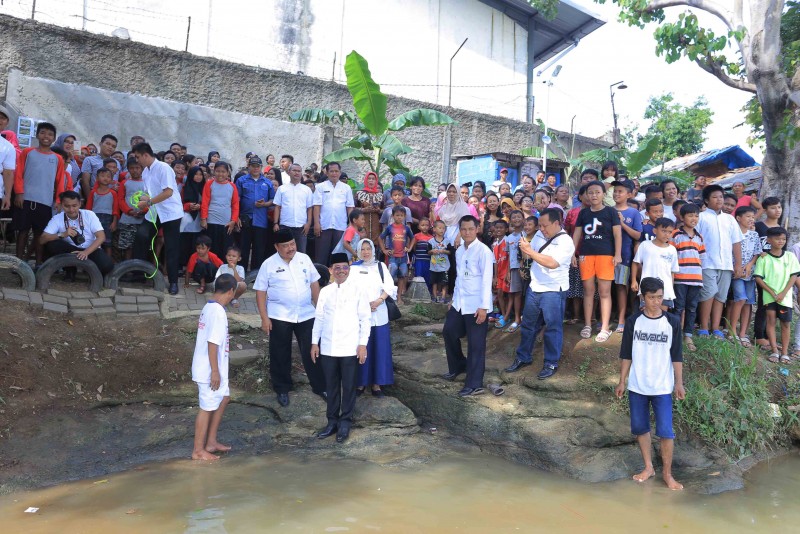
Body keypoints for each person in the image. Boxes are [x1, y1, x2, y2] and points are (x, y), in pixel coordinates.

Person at [616, 277, 685, 491]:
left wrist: (679, 383)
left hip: (662, 386)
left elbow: (677, 355)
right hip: (637, 385)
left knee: (666, 431)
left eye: (660, 297)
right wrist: (622, 381)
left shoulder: (672, 322)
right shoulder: (633, 321)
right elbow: (626, 354)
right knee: (640, 428)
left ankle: (667, 474)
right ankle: (648, 467)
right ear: (643, 298)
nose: (657, 301)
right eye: (652, 297)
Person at [255, 229, 327, 407]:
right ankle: (282, 388)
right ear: (276, 247)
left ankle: (320, 386)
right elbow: (260, 292)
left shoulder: (304, 259)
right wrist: (264, 318)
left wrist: (320, 311)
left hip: (306, 313)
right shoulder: (268, 264)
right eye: (286, 246)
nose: (291, 248)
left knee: (313, 348)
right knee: (280, 352)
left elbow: (314, 285)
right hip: (279, 315)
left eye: (292, 244)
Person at [505, 208, 575, 378]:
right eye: (540, 226)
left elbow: (552, 263)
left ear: (556, 223)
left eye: (545, 226)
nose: (541, 229)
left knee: (552, 327)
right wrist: (525, 251)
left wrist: (529, 251)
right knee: (528, 325)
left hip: (553, 290)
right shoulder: (539, 234)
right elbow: (531, 256)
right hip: (535, 287)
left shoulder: (566, 241)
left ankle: (551, 363)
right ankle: (523, 357)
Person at [311, 252, 372, 443]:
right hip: (328, 347)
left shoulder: (358, 290)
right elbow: (319, 318)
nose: (341, 271)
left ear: (349, 269)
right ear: (330, 270)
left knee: (348, 386)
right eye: (337, 268)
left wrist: (362, 344)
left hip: (350, 347)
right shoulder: (325, 292)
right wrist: (314, 342)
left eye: (345, 267)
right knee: (331, 386)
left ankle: (345, 422)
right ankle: (332, 421)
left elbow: (365, 319)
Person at [441, 215, 494, 397]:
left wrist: (484, 307)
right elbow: (459, 278)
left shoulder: (483, 251)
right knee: (449, 331)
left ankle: (474, 384)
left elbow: (486, 280)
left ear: (477, 229)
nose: (467, 232)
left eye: (471, 229)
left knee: (476, 344)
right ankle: (458, 365)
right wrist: (453, 300)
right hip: (460, 302)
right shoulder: (459, 251)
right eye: (463, 229)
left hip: (477, 305)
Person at [191, 273, 236, 461]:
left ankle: (211, 442)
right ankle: (198, 450)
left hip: (215, 366)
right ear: (231, 291)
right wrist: (215, 372)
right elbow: (212, 343)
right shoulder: (217, 312)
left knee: (224, 398)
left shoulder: (209, 306)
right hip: (209, 369)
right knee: (207, 406)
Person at [132, 142, 186, 295]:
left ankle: (173, 282)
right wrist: (142, 199)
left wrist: (148, 202)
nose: (137, 160)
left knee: (171, 246)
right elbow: (148, 193)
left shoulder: (163, 168)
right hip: (155, 211)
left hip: (170, 213)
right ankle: (139, 274)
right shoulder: (146, 172)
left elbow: (168, 192)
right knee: (141, 236)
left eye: (138, 157)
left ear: (145, 155)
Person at [572, 181, 622, 342]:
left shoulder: (611, 212)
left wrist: (618, 254)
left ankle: (605, 327)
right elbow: (577, 234)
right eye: (590, 192)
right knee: (588, 291)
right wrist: (572, 254)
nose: (594, 195)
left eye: (597, 192)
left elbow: (617, 234)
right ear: (586, 195)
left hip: (606, 255)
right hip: (586, 255)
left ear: (603, 194)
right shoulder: (583, 213)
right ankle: (587, 325)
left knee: (604, 292)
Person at [13, 122, 66, 265]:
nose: (46, 136)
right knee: (23, 231)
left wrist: (58, 200)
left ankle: (38, 264)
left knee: (40, 233)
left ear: (54, 138)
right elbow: (18, 174)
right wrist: (19, 193)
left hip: (45, 202)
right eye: (42, 132)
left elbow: (60, 181)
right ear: (37, 135)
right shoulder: (27, 152)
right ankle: (18, 263)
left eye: (50, 134)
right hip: (25, 199)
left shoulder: (57, 158)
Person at [352, 240, 398, 397]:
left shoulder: (381, 266)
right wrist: (363, 305)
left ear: (373, 250)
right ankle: (360, 383)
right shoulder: (353, 269)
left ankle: (377, 384)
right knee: (362, 347)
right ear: (358, 251)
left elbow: (389, 287)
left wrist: (379, 300)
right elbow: (350, 290)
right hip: (360, 314)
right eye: (362, 249)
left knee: (379, 349)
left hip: (379, 313)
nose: (366, 252)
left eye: (368, 249)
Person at [696, 184, 743, 338]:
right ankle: (704, 327)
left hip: (726, 264)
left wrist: (738, 264)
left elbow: (736, 242)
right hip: (707, 262)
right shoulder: (701, 217)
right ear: (706, 200)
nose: (719, 200)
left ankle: (715, 328)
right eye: (715, 197)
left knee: (720, 297)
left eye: (721, 197)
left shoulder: (729, 219)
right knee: (708, 294)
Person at [39, 191, 114, 275]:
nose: (71, 210)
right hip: (70, 251)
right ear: (62, 205)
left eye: (74, 206)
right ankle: (70, 270)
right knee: (52, 244)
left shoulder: (89, 214)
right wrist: (62, 234)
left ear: (80, 204)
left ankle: (93, 273)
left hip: (90, 250)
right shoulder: (57, 218)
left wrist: (86, 252)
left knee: (107, 266)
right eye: (67, 206)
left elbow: (101, 237)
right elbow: (42, 240)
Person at [754, 227, 800, 364]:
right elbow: (758, 278)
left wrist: (783, 293)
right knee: (771, 321)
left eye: (783, 239)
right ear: (768, 240)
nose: (781, 241)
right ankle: (774, 350)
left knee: (785, 323)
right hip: (769, 296)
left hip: (785, 297)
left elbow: (794, 276)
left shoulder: (790, 256)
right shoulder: (764, 258)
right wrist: (772, 292)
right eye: (777, 238)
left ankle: (784, 353)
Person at [670, 203, 706, 351]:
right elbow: (671, 256)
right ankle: (676, 334)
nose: (694, 218)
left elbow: (702, 258)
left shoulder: (699, 237)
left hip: (696, 279)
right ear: (682, 217)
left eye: (696, 216)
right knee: (678, 307)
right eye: (690, 215)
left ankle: (688, 335)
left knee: (692, 308)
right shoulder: (675, 235)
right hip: (680, 278)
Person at [726, 206, 761, 347]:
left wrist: (750, 264)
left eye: (753, 217)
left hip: (750, 273)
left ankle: (743, 333)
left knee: (748, 302)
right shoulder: (733, 234)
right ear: (738, 218)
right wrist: (738, 266)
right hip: (737, 273)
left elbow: (757, 252)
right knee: (740, 298)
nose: (751, 219)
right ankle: (732, 330)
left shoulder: (754, 235)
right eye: (748, 216)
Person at [613, 179, 643, 332]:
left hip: (624, 256)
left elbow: (638, 235)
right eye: (615, 191)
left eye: (620, 191)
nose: (616, 194)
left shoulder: (633, 213)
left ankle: (621, 320)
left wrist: (622, 223)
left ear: (629, 194)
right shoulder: (608, 210)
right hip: (607, 255)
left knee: (621, 287)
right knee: (606, 288)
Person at [753, 197, 783, 350]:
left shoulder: (781, 228)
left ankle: (768, 335)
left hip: (776, 271)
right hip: (760, 269)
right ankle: (759, 336)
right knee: (763, 302)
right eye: (773, 207)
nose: (777, 210)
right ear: (765, 210)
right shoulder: (758, 226)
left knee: (773, 304)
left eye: (779, 207)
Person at [632, 218, 679, 310]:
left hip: (665, 290)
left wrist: (670, 288)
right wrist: (634, 280)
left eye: (670, 232)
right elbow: (635, 262)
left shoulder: (672, 250)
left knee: (662, 314)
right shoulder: (645, 245)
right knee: (646, 314)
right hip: (646, 287)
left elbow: (672, 272)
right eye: (664, 231)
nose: (667, 234)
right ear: (655, 231)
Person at [235, 155, 273, 271]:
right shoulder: (241, 180)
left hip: (261, 220)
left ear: (261, 167)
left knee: (259, 250)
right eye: (253, 166)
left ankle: (256, 275)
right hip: (245, 219)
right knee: (243, 248)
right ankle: (241, 273)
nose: (256, 168)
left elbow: (272, 200)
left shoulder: (267, 182)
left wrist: (264, 204)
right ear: (248, 166)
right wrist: (236, 217)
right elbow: (236, 200)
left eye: (258, 166)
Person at [313, 162, 354, 265]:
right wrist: (317, 223)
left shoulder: (346, 188)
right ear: (327, 173)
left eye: (336, 171)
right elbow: (317, 206)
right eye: (331, 171)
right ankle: (322, 275)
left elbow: (350, 207)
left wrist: (350, 225)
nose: (334, 173)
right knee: (321, 256)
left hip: (340, 226)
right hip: (323, 226)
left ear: (340, 172)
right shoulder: (320, 187)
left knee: (338, 257)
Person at [200, 161, 240, 259]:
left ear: (227, 173)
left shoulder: (232, 186)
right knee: (212, 248)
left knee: (225, 248)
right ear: (214, 171)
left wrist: (233, 221)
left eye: (223, 172)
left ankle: (223, 268)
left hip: (226, 223)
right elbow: (205, 202)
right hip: (211, 221)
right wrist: (203, 219)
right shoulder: (209, 184)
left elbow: (235, 205)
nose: (220, 174)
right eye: (218, 171)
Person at [273, 163, 313, 253]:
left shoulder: (306, 190)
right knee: (284, 252)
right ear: (289, 172)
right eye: (294, 170)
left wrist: (308, 223)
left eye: (299, 171)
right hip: (285, 225)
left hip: (301, 227)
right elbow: (277, 207)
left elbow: (309, 208)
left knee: (301, 252)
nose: (296, 173)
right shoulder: (282, 189)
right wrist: (275, 223)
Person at [378, 206, 415, 304]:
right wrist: (384, 250)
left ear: (404, 216)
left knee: (402, 277)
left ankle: (399, 297)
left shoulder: (406, 228)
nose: (399, 217)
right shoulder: (389, 228)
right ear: (393, 216)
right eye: (397, 215)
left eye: (401, 215)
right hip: (392, 257)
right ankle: (388, 298)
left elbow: (413, 238)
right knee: (390, 276)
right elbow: (380, 238)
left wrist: (409, 248)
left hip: (403, 257)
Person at [116, 158, 148, 260]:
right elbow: (120, 200)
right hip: (127, 219)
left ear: (142, 169)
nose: (135, 170)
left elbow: (151, 199)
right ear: (128, 169)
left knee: (141, 245)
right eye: (132, 168)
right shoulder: (124, 183)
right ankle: (127, 266)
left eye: (137, 168)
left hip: (143, 219)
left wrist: (144, 211)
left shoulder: (147, 183)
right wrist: (129, 211)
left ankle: (139, 266)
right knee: (127, 246)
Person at [85, 168, 120, 256]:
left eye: (108, 176)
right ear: (97, 178)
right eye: (103, 176)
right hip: (94, 218)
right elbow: (88, 208)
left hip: (108, 219)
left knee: (108, 242)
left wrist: (114, 222)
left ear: (111, 179)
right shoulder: (93, 192)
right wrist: (87, 221)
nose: (105, 178)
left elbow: (115, 209)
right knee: (94, 240)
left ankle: (108, 260)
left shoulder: (113, 193)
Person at [80, 134, 117, 199]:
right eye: (108, 144)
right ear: (100, 144)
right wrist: (90, 199)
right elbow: (85, 182)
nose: (110, 147)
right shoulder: (89, 160)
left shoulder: (117, 163)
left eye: (113, 146)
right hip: (95, 196)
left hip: (112, 197)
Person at [356, 171, 384, 246]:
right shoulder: (359, 194)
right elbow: (353, 209)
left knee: (376, 245)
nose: (371, 180)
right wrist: (363, 210)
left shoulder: (380, 195)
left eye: (373, 179)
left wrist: (378, 210)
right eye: (369, 178)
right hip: (363, 225)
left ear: (376, 181)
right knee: (363, 244)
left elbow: (384, 210)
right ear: (366, 180)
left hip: (376, 226)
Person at [429, 220, 451, 303]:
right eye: (440, 228)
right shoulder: (431, 241)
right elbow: (428, 252)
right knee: (434, 283)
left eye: (443, 228)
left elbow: (450, 252)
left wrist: (444, 251)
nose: (442, 230)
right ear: (434, 229)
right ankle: (434, 297)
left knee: (444, 283)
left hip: (444, 267)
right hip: (434, 267)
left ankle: (443, 298)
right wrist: (432, 251)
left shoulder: (447, 241)